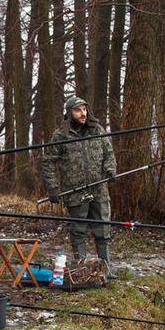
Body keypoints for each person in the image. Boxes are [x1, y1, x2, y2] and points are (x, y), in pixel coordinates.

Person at [42, 96, 117, 275]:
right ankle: (81, 270)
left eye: (84, 109)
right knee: (78, 232)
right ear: (69, 113)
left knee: (103, 231)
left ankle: (105, 270)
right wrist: (52, 187)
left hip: (99, 189)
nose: (82, 113)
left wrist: (110, 170)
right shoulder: (60, 135)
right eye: (78, 110)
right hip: (75, 192)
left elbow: (109, 154)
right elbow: (48, 162)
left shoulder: (98, 130)